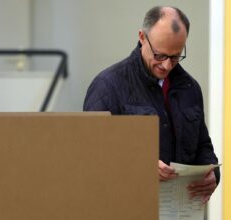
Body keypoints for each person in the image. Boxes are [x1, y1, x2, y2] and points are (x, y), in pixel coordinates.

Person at [83, 6, 220, 203]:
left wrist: (212, 174)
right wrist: (141, 165)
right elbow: (89, 156)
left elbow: (202, 145)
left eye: (175, 56)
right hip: (127, 208)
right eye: (160, 55)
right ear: (141, 37)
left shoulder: (190, 88)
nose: (166, 65)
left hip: (180, 211)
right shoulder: (108, 86)